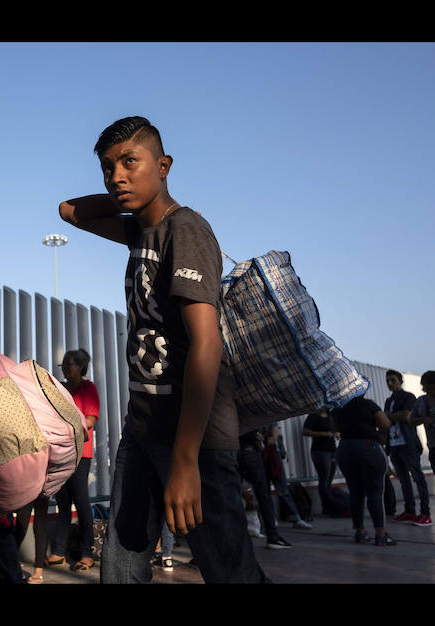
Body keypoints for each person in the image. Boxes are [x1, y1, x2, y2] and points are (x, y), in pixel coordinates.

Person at [60, 116, 269, 584]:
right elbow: (68, 210)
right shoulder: (139, 231)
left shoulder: (186, 230)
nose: (117, 177)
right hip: (142, 431)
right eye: (108, 168)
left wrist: (185, 459)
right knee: (120, 569)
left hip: (196, 440)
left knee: (229, 571)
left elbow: (206, 341)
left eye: (131, 162)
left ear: (165, 165)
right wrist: (128, 193)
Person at [46, 349, 99, 573]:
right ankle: (58, 551)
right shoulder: (59, 388)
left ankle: (87, 552)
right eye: (64, 364)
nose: (66, 367)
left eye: (70, 363)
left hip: (80, 453)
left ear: (81, 366)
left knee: (81, 499)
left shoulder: (89, 389)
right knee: (63, 502)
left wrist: (64, 426)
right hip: (60, 452)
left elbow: (89, 420)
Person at [331, 392, 397, 546]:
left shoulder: (338, 407)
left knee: (355, 492)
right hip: (369, 447)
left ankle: (359, 532)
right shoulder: (368, 404)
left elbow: (334, 427)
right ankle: (380, 534)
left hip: (345, 449)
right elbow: (385, 424)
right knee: (375, 492)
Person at [384, 370, 432, 526]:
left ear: (400, 381)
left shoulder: (408, 397)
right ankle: (410, 511)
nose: (390, 383)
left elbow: (406, 416)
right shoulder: (388, 400)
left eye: (393, 380)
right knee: (404, 480)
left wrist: (389, 416)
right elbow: (386, 421)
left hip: (408, 444)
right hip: (394, 445)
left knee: (418, 478)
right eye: (388, 380)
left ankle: (425, 513)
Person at [237, 429, 293, 549]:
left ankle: (234, 540)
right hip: (250, 450)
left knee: (231, 496)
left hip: (232, 451)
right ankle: (272, 536)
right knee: (263, 495)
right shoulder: (251, 411)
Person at [411, 370, 435, 541]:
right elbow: (411, 419)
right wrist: (423, 419)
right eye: (427, 388)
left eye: (433, 388)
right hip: (434, 448)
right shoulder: (421, 402)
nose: (430, 391)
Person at [263, 424, 313, 528]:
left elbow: (275, 428)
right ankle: (272, 518)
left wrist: (273, 439)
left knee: (282, 489)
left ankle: (295, 518)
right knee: (264, 490)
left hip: (271, 451)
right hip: (261, 452)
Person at [302, 409, 338, 515]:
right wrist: (322, 434)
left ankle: (330, 504)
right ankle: (326, 507)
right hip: (320, 451)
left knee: (330, 479)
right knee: (324, 478)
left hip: (332, 449)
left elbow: (335, 428)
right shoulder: (313, 416)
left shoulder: (330, 415)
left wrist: (336, 433)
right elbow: (305, 432)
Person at [14, 495, 51, 584]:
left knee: (40, 529)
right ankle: (12, 563)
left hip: (42, 490)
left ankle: (38, 570)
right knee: (20, 528)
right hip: (26, 489)